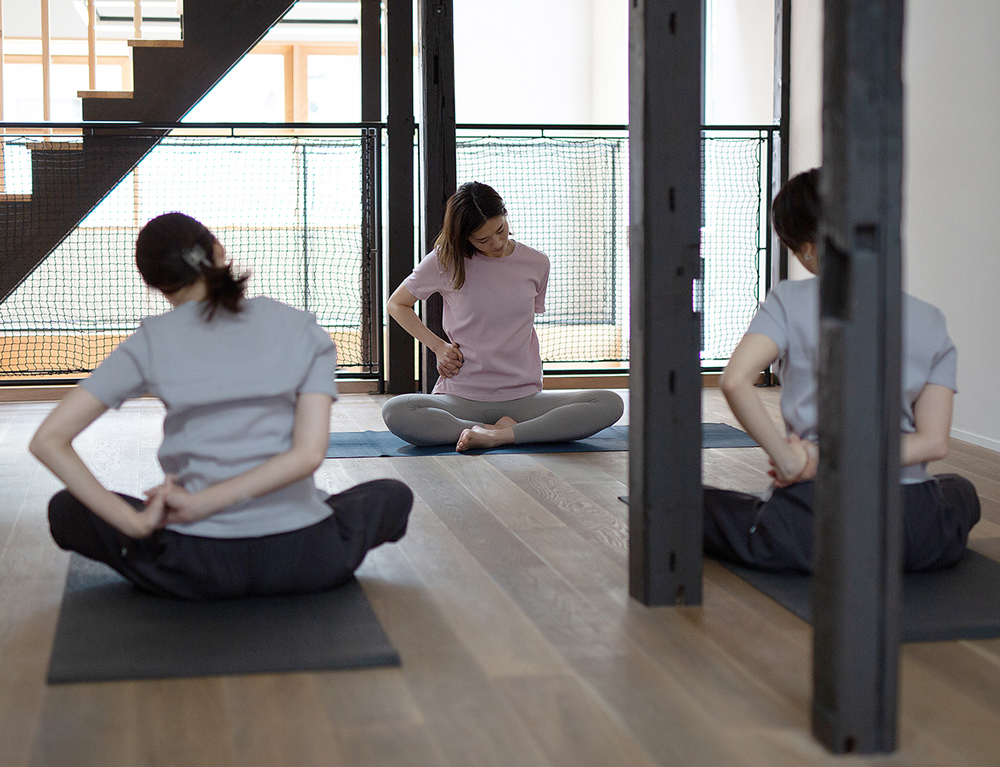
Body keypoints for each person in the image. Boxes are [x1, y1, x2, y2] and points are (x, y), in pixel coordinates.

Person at [30, 212, 412, 600]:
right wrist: (201, 505)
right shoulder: (300, 326)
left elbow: (47, 441)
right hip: (306, 557)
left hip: (194, 565)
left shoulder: (150, 341)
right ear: (218, 250)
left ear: (152, 282)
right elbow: (308, 455)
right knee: (392, 495)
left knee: (67, 509)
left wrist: (138, 523)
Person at [703, 168, 980, 573]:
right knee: (959, 490)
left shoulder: (789, 299)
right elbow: (934, 444)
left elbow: (734, 380)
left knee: (694, 502)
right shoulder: (930, 318)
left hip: (813, 522)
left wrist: (795, 459)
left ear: (808, 247)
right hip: (916, 533)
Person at [381, 181, 624, 451]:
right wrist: (438, 346)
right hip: (462, 396)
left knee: (610, 403)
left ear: (505, 215)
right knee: (396, 410)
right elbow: (397, 304)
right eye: (482, 240)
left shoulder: (537, 262)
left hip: (523, 397)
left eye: (500, 230)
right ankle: (504, 431)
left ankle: (497, 435)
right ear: (464, 237)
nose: (496, 243)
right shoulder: (445, 261)